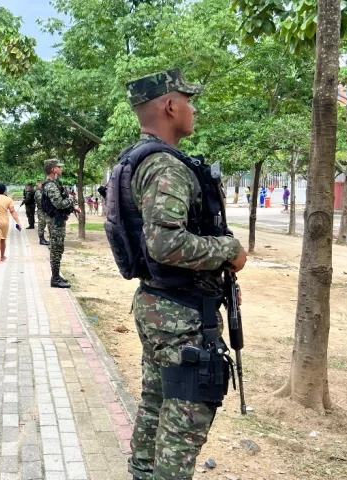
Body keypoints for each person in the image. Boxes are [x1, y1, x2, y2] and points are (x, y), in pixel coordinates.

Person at [110, 70, 247, 479]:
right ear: (170, 106)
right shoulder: (165, 166)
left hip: (161, 304)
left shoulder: (139, 158)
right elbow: (165, 244)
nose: (194, 108)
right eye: (188, 100)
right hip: (179, 314)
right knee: (184, 421)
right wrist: (230, 251)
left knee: (156, 403)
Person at [42, 159, 80, 288]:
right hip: (55, 221)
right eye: (59, 167)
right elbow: (58, 204)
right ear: (53, 169)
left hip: (58, 220)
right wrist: (71, 200)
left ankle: (57, 276)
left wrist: (72, 207)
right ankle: (55, 278)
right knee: (56, 249)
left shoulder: (56, 183)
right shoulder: (50, 185)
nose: (61, 169)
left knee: (58, 248)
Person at [0, 183, 22, 263]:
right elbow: (12, 211)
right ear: (5, 190)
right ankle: (2, 256)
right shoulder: (8, 199)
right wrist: (18, 222)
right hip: (4, 221)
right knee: (2, 239)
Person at [35, 180, 50, 246]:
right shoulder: (38, 192)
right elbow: (41, 202)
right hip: (41, 211)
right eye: (40, 184)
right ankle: (41, 239)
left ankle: (43, 239)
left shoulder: (42, 191)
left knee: (44, 224)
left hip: (45, 211)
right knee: (41, 225)